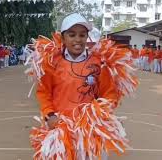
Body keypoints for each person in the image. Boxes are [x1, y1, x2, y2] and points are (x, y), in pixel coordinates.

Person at [26, 13, 138, 160]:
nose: (77, 40)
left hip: (90, 130)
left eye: (82, 35)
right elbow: (44, 93)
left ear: (87, 37)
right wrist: (50, 115)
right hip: (60, 127)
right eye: (72, 35)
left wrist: (101, 114)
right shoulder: (52, 63)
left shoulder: (99, 63)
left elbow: (109, 94)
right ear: (63, 38)